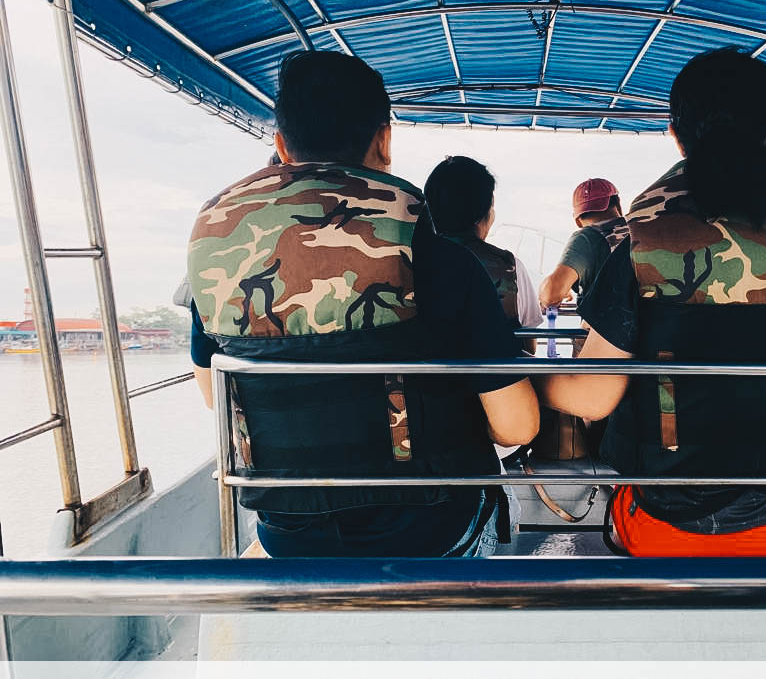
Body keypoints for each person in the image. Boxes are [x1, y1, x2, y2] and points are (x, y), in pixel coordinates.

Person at [536, 47, 766, 557]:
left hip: (680, 528)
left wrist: (524, 379)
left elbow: (594, 397)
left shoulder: (644, 239)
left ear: (675, 133)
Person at [186, 50, 538, 558]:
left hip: (289, 538)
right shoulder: (442, 260)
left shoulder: (222, 267)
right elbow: (518, 426)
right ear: (384, 140)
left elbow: (216, 398)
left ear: (282, 146)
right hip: (431, 536)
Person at [423, 156, 543, 342]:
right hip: (496, 369)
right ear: (484, 211)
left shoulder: (410, 260)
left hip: (421, 370)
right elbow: (528, 343)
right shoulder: (510, 267)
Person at [538, 178, 628, 307]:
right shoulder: (641, 229)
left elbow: (551, 295)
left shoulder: (587, 238)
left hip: (614, 326)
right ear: (618, 204)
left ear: (577, 220)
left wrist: (561, 285)